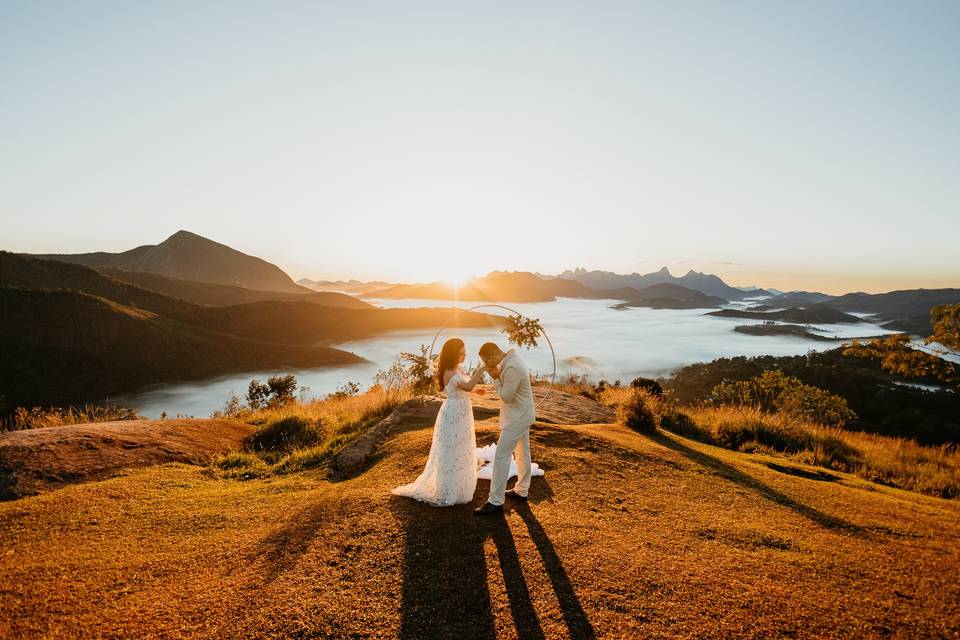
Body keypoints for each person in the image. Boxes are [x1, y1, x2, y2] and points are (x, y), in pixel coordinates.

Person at [391, 338, 486, 506]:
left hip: (462, 412)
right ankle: (448, 489)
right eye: (460, 353)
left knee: (462, 447)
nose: (464, 356)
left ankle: (459, 484)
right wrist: (481, 369)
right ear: (452, 354)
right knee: (451, 449)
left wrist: (476, 391)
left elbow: (464, 388)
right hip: (453, 413)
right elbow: (467, 386)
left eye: (465, 353)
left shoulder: (458, 369)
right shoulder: (449, 371)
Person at [473, 342, 536, 515]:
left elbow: (506, 397)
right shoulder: (511, 361)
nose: (486, 365)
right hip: (521, 414)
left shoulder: (511, 367)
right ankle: (522, 490)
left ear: (493, 356)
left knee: (501, 456)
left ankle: (495, 501)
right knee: (522, 451)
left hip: (518, 418)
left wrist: (495, 378)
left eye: (486, 361)